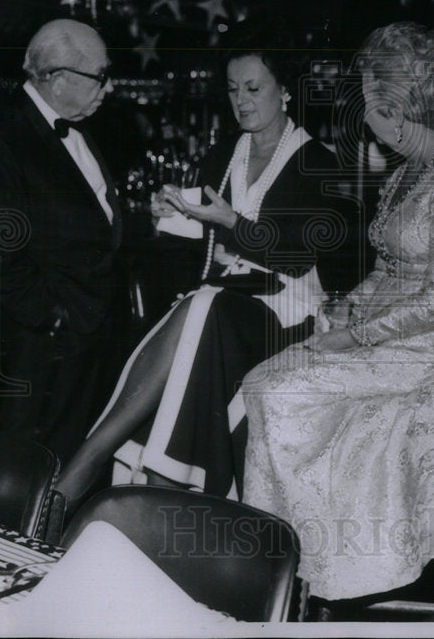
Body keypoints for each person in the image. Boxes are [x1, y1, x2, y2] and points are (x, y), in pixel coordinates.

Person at [241, 22, 434, 602]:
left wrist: (354, 335)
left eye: (373, 107)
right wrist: (347, 307)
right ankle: (297, 552)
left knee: (279, 392)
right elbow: (387, 268)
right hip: (392, 327)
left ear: (402, 107)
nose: (366, 123)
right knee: (263, 381)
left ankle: (325, 562)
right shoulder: (412, 170)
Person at [56, 34, 360, 504]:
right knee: (203, 307)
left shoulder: (320, 163)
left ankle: (98, 466)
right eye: (234, 89)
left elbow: (299, 256)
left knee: (203, 307)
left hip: (287, 316)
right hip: (221, 310)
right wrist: (170, 215)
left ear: (285, 91)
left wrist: (231, 223)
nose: (241, 100)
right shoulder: (223, 156)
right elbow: (197, 247)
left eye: (253, 89)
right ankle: (142, 482)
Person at [0, 19, 123, 463]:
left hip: (85, 335)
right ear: (56, 79)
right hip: (40, 348)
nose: (107, 88)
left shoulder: (75, 128)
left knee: (72, 462)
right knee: (27, 465)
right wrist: (54, 319)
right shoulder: (2, 134)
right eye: (100, 75)